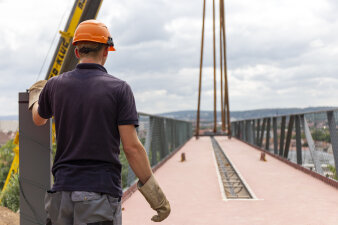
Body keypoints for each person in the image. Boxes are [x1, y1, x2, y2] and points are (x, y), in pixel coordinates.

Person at [28, 19, 170, 225]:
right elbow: (131, 148)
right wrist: (157, 198)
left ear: (77, 51)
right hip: (99, 195)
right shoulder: (119, 89)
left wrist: (35, 96)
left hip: (61, 193)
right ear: (106, 51)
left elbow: (38, 119)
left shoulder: (55, 85)